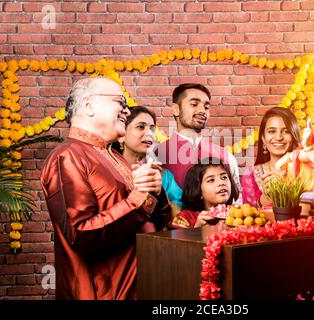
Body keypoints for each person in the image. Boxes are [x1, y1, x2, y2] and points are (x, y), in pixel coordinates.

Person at [40, 77, 171, 300]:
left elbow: (157, 221)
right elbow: (80, 234)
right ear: (89, 105)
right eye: (120, 102)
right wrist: (140, 197)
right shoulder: (67, 157)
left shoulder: (117, 158)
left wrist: (155, 191)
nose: (126, 111)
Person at [156, 83, 241, 206]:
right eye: (194, 104)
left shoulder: (226, 157)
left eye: (206, 107)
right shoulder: (156, 156)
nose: (202, 111)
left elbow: (235, 202)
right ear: (176, 109)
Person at [111, 105, 183, 219]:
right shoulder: (110, 171)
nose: (149, 133)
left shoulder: (164, 176)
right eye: (140, 127)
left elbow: (179, 218)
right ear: (121, 136)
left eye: (152, 129)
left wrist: (159, 194)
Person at [241, 107, 303, 209]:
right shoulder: (251, 176)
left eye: (286, 131)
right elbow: (246, 217)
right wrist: (265, 197)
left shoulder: (305, 171)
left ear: (294, 136)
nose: (279, 137)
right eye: (272, 131)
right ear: (263, 139)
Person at [171, 157, 239, 228]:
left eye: (224, 177)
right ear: (198, 190)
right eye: (211, 180)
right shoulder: (184, 218)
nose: (221, 183)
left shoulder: (238, 214)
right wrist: (197, 230)